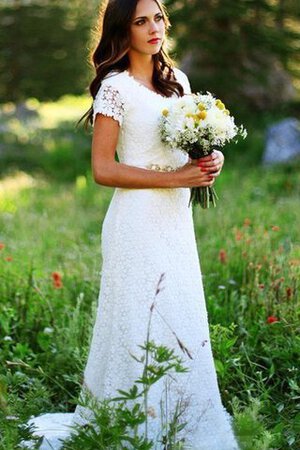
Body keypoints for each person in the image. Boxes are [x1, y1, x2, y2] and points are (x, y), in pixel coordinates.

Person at [21, 0, 240, 449]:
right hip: (136, 224)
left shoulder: (177, 81)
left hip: (175, 221)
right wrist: (177, 177)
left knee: (178, 315)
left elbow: (185, 149)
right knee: (138, 321)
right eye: (141, 21)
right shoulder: (115, 89)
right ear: (124, 29)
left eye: (158, 17)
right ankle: (133, 424)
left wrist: (208, 157)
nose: (153, 28)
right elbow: (103, 169)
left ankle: (183, 419)